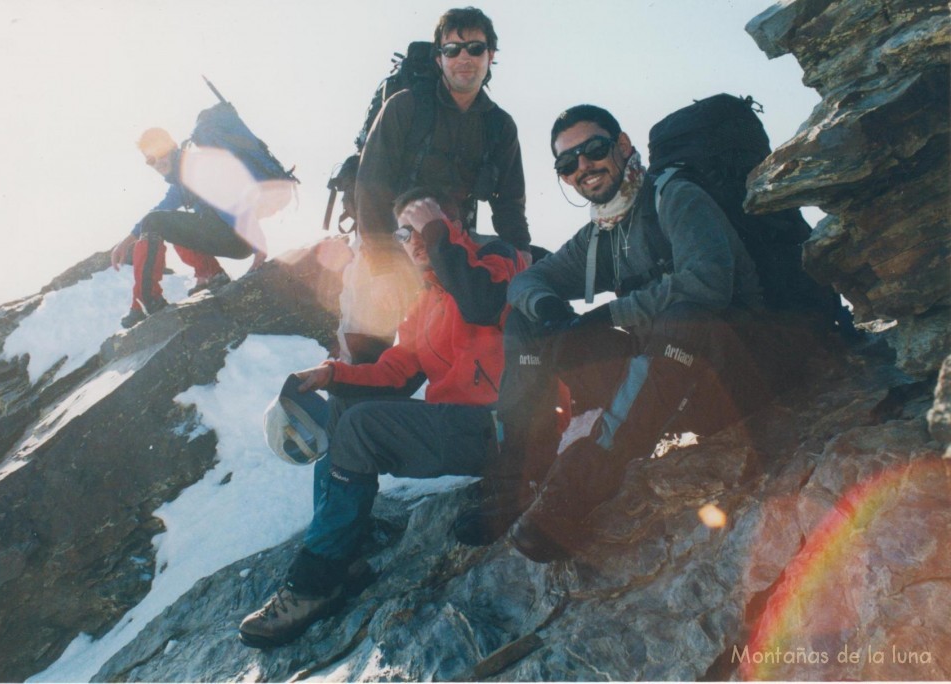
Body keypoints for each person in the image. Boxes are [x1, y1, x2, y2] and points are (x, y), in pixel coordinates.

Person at [455, 104, 813, 561]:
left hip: (734, 375)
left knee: (686, 315)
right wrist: (548, 310)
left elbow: (707, 281)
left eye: (594, 150)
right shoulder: (603, 234)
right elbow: (528, 282)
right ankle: (515, 483)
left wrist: (606, 315)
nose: (583, 167)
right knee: (529, 321)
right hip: (664, 388)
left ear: (623, 146)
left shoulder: (674, 197)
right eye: (568, 163)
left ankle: (578, 490)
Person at [238, 187, 526, 648]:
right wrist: (329, 375)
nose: (412, 240)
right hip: (459, 426)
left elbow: (482, 305)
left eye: (424, 224)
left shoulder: (498, 261)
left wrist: (438, 235)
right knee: (345, 410)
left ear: (457, 223)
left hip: (507, 428)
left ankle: (313, 584)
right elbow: (395, 373)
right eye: (403, 231)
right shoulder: (425, 302)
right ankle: (342, 557)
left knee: (361, 427)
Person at [338, 6, 531, 365]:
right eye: (452, 49)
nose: (464, 58)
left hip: (451, 245)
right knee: (367, 345)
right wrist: (380, 268)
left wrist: (521, 262)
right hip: (389, 240)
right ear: (438, 57)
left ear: (491, 56)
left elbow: (509, 204)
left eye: (475, 48)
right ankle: (347, 418)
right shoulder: (405, 106)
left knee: (457, 351)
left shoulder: (500, 127)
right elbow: (371, 186)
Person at [110, 127, 268, 328]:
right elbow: (161, 211)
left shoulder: (196, 167)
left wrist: (258, 245)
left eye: (159, 153)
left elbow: (234, 203)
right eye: (150, 160)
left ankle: (146, 299)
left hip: (236, 236)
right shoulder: (181, 181)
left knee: (159, 222)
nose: (157, 162)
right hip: (229, 236)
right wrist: (126, 241)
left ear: (173, 146)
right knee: (168, 222)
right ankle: (211, 275)